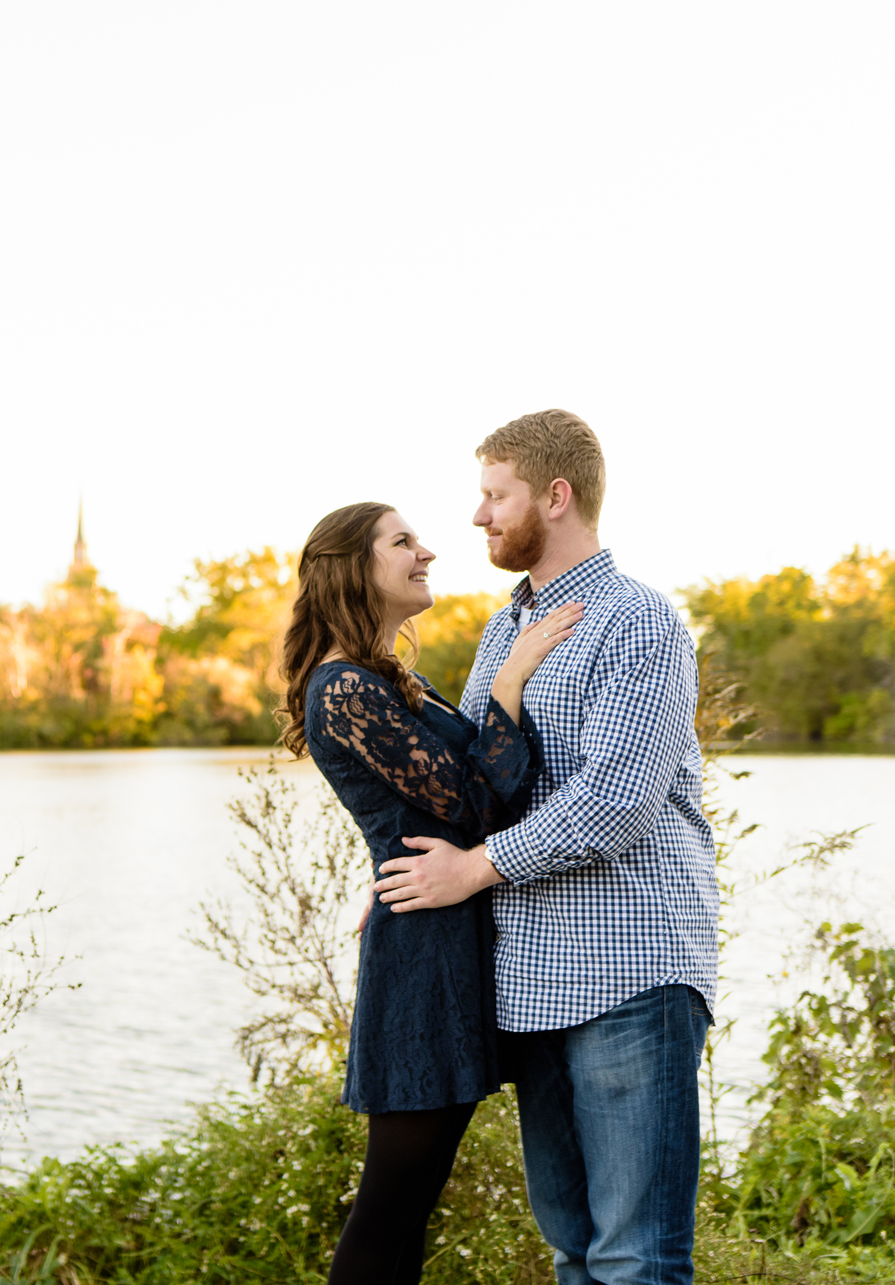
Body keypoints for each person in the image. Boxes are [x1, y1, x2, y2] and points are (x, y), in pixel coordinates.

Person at [371, 409, 719, 1285]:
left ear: (555, 497)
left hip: (629, 974)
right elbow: (479, 778)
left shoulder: (639, 623)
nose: (479, 517)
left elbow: (614, 805)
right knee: (572, 1253)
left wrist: (471, 869)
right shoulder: (501, 632)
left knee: (636, 1258)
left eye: (496, 495)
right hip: (529, 983)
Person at [278, 500, 582, 1285]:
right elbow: (478, 801)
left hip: (448, 941)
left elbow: (441, 806)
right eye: (403, 542)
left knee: (412, 1206)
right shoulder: (343, 689)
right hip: (421, 962)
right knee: (390, 1207)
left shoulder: (389, 680)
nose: (427, 553)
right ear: (354, 568)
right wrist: (513, 675)